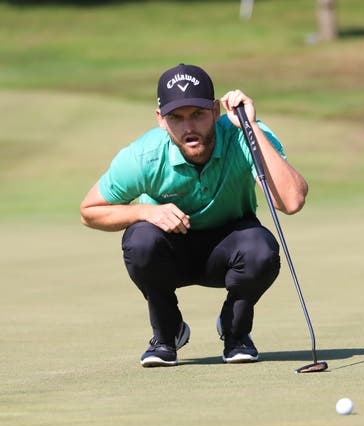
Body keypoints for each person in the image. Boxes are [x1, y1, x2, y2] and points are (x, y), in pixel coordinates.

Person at [80, 63, 308, 367]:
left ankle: (235, 331)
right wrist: (145, 211)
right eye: (176, 117)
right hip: (171, 251)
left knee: (260, 249)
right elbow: (89, 211)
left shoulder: (243, 135)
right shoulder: (144, 156)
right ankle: (167, 333)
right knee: (141, 240)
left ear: (215, 111)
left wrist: (250, 127)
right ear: (161, 120)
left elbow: (292, 201)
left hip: (232, 247)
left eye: (198, 115)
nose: (189, 128)